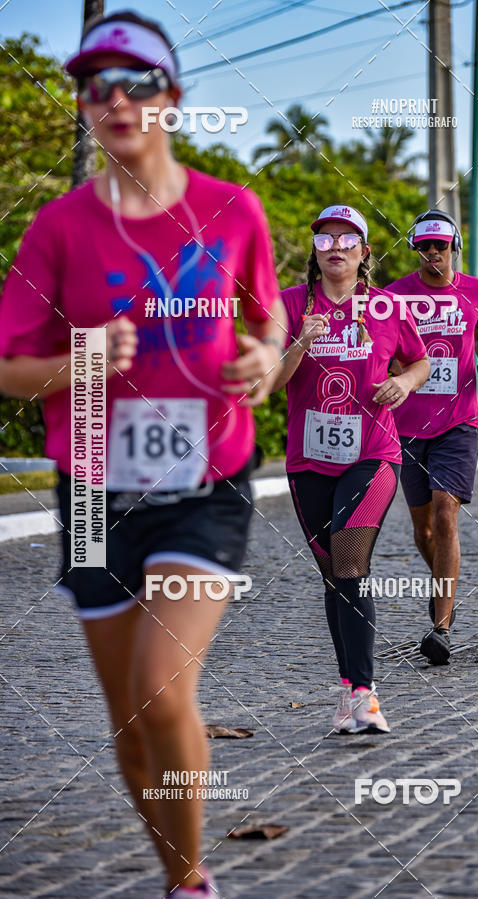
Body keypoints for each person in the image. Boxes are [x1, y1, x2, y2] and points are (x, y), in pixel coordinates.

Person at [0, 11, 286, 898]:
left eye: (138, 83)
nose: (116, 100)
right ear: (84, 105)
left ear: (174, 98)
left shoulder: (232, 209)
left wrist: (267, 359)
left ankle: (192, 884)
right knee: (130, 718)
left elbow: (268, 315)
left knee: (162, 691)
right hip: (91, 485)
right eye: (96, 86)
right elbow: (10, 367)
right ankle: (179, 872)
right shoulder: (58, 227)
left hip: (205, 478)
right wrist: (76, 362)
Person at [274, 205, 429, 734]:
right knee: (333, 574)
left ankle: (366, 694)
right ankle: (348, 691)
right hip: (308, 460)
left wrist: (404, 385)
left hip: (374, 453)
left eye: (347, 239)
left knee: (350, 558)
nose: (335, 247)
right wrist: (301, 342)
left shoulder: (387, 308)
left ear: (364, 252)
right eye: (324, 240)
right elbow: (267, 384)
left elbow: (420, 361)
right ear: (314, 252)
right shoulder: (290, 304)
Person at [386, 210, 478, 666]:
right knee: (423, 527)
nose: (433, 252)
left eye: (441, 246)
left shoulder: (477, 291)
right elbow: (381, 350)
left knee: (447, 515)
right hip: (407, 425)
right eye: (424, 246)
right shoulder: (392, 296)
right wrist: (398, 373)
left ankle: (441, 627)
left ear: (455, 248)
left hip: (460, 421)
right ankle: (443, 588)